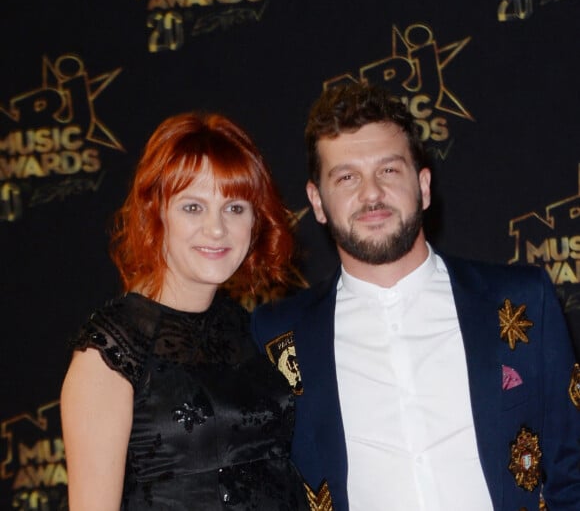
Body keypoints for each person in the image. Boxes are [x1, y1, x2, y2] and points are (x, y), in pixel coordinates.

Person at [252, 82, 580, 511]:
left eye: (388, 170)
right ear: (317, 201)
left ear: (423, 186)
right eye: (347, 177)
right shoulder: (277, 337)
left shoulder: (521, 301)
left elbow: (571, 471)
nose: (371, 194)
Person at [61, 112, 311, 510]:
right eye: (193, 207)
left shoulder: (249, 329)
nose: (216, 229)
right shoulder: (111, 351)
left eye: (235, 208)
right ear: (156, 212)